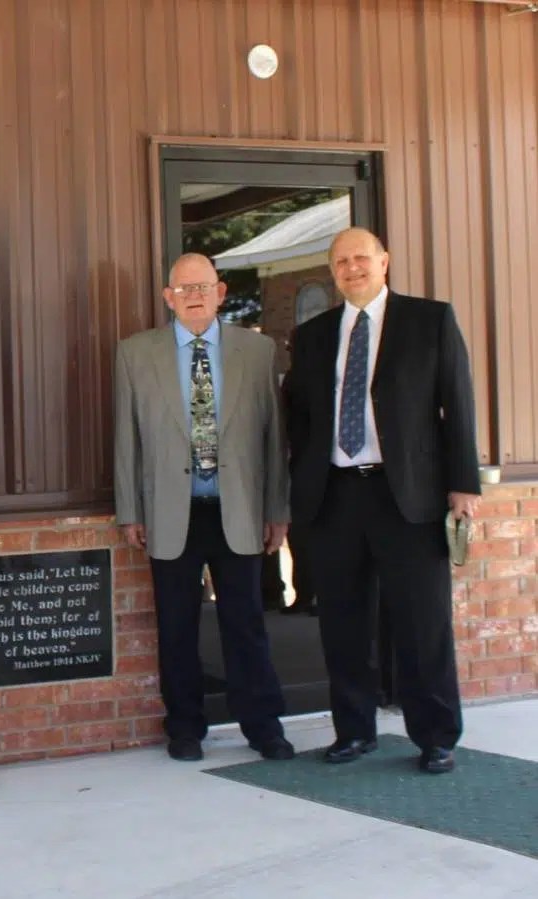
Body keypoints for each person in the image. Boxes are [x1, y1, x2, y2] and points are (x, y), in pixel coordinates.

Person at [284, 227, 480, 774]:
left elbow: (458, 404)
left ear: (384, 261)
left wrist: (463, 484)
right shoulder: (312, 335)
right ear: (332, 271)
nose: (352, 268)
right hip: (335, 495)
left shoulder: (429, 320)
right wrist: (301, 483)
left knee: (423, 621)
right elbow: (299, 417)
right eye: (341, 261)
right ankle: (354, 731)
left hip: (409, 496)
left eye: (361, 258)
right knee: (342, 623)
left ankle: (436, 736)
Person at [114, 253, 293, 763]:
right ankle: (185, 728)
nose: (193, 296)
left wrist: (277, 509)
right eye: (183, 288)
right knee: (176, 627)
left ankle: (263, 726)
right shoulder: (135, 353)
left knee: (246, 624)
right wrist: (130, 510)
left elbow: (274, 439)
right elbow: (126, 437)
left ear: (220, 292)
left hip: (239, 509)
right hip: (171, 511)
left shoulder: (257, 351)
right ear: (168, 297)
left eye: (203, 286)